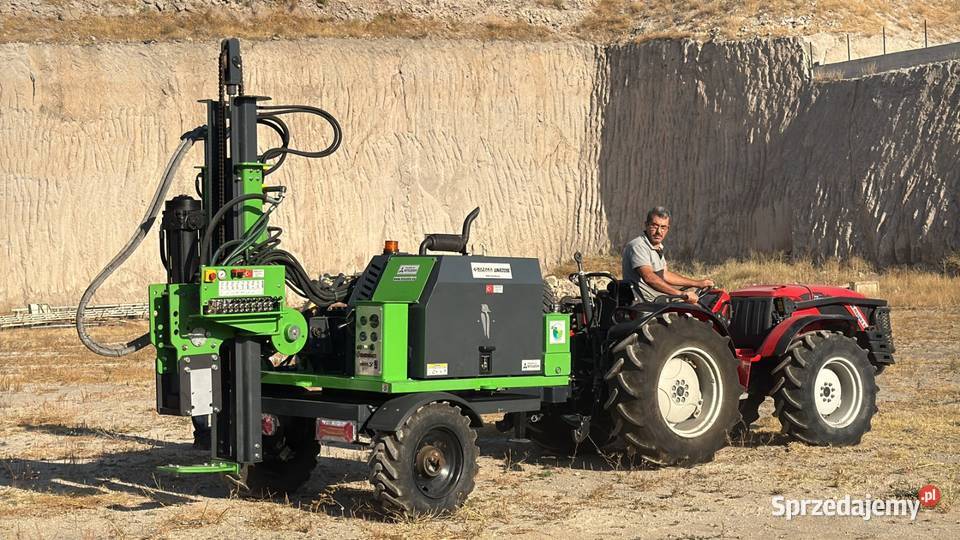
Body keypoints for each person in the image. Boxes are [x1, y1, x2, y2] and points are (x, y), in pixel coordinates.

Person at [621, 206, 714, 304]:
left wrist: (697, 283)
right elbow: (649, 277)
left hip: (659, 299)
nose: (658, 232)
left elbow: (665, 275)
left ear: (667, 229)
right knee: (696, 310)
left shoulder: (657, 247)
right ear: (646, 225)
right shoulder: (638, 246)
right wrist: (680, 294)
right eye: (654, 226)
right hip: (647, 304)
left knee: (706, 303)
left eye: (663, 227)